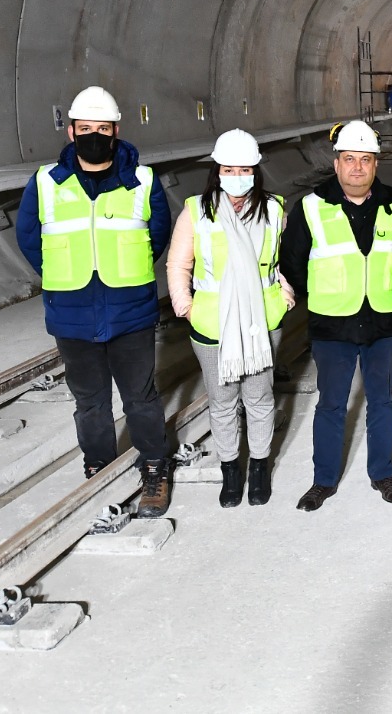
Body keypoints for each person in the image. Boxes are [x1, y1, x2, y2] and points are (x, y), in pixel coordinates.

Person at [15, 86, 174, 516]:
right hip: (72, 311)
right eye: (85, 129)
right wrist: (64, 276)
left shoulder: (142, 180)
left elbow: (156, 234)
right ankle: (98, 467)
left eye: (102, 129)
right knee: (90, 401)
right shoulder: (47, 183)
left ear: (116, 131)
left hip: (130, 310)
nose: (94, 136)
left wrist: (127, 268)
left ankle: (155, 468)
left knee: (140, 396)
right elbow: (30, 239)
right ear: (70, 132)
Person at [280, 121, 392, 511]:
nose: (357, 167)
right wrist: (324, 292)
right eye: (349, 159)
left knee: (383, 401)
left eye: (365, 160)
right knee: (331, 404)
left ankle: (383, 474)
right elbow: (293, 262)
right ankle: (323, 481)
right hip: (332, 324)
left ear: (375, 164)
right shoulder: (311, 207)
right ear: (336, 164)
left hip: (384, 320)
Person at [166, 129, 292, 508]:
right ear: (216, 171)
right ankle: (230, 470)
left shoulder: (274, 209)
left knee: (258, 398)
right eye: (228, 168)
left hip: (262, 319)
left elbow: (276, 259)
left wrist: (283, 289)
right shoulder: (196, 211)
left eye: (244, 168)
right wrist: (183, 304)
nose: (236, 175)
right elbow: (178, 263)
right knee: (221, 402)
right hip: (211, 322)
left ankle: (258, 466)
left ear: (255, 170)